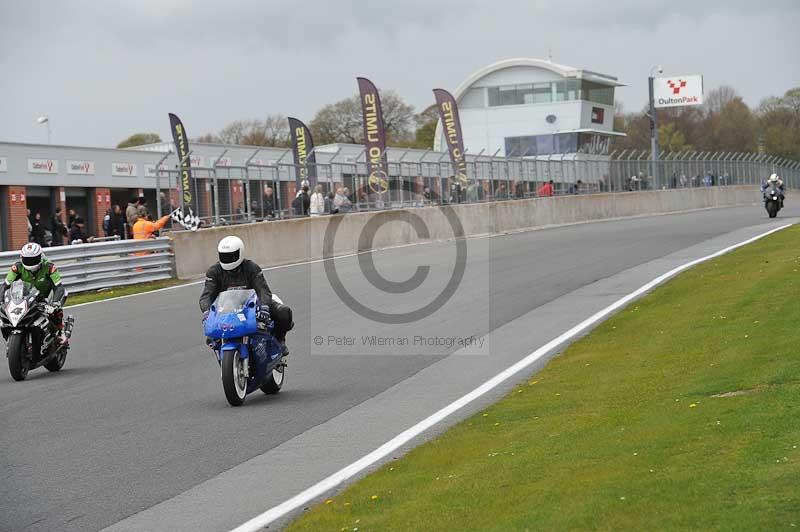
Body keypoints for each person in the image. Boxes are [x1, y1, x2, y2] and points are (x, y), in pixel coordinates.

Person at [199, 236, 293, 356]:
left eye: (231, 255)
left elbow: (263, 290)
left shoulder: (251, 268)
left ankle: (280, 339)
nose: (227, 259)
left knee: (284, 312)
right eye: (224, 255)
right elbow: (206, 296)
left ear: (240, 252)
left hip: (253, 305)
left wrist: (264, 306)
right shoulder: (214, 271)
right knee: (211, 337)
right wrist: (206, 311)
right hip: (226, 308)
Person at [0, 243, 68, 344]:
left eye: (33, 259)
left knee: (55, 311)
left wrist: (55, 303)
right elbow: (5, 285)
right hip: (26, 296)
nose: (30, 262)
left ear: (41, 257)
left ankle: (60, 332)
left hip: (44, 297)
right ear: (21, 258)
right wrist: (1, 300)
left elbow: (59, 287)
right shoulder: (17, 267)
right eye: (27, 259)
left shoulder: (49, 267)